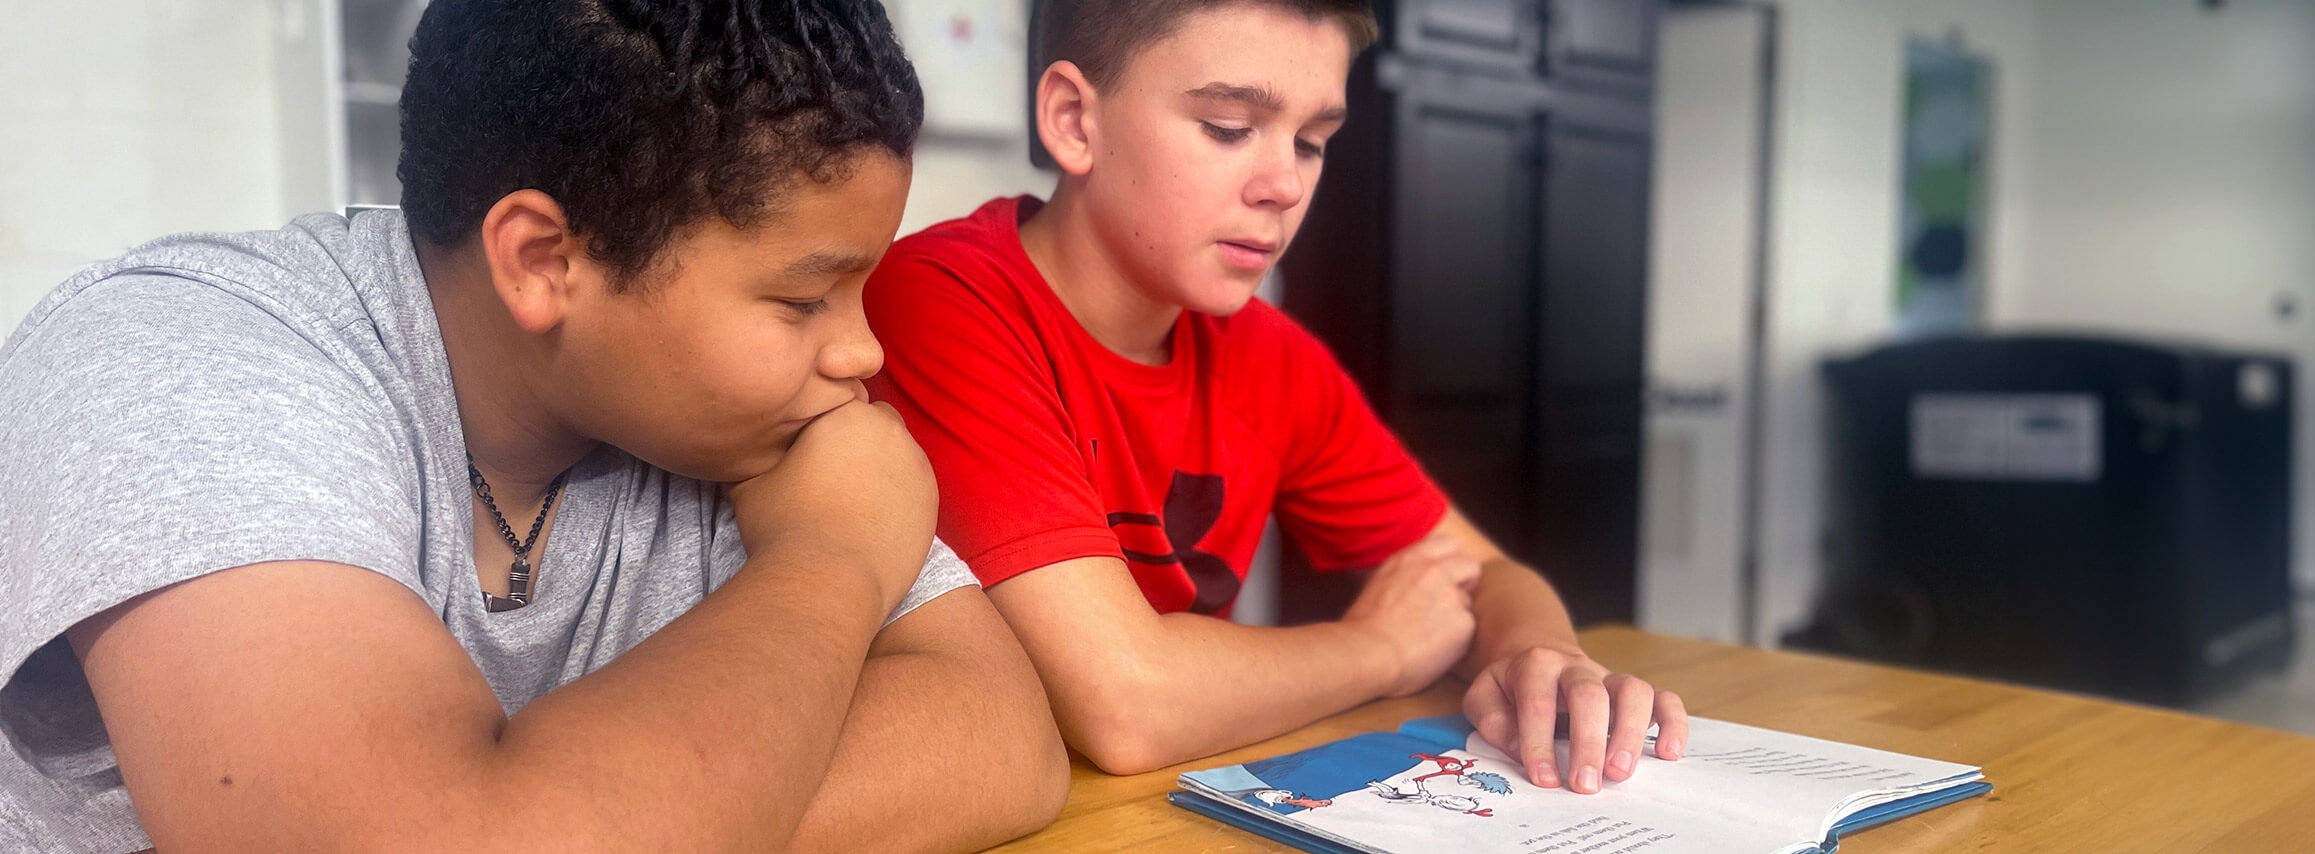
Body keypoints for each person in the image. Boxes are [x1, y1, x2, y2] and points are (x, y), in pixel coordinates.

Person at [0, 1, 1064, 851]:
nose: (861, 355)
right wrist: (831, 558)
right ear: (543, 260)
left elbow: (1002, 739)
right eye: (802, 299)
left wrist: (617, 813)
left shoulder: (739, 420)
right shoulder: (190, 363)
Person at [865, 0, 1689, 793]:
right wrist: (1378, 649)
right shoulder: (944, 302)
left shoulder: (1269, 356)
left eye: (1312, 141)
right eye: (1229, 128)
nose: (1284, 185)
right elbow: (1127, 705)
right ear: (1076, 120)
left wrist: (1543, 656)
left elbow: (1485, 577)